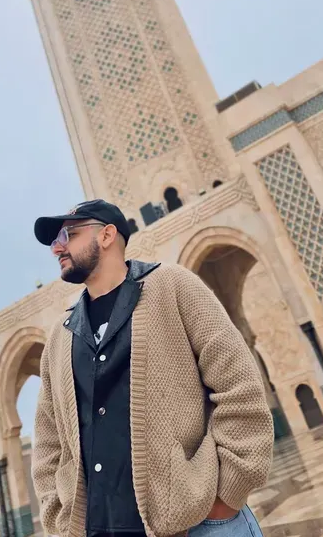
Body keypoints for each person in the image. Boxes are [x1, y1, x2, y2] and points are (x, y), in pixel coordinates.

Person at [31, 198, 274, 537]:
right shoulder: (62, 334)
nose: (57, 248)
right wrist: (59, 517)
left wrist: (226, 496)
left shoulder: (172, 286)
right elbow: (48, 438)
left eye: (68, 235)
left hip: (200, 523)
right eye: (54, 241)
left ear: (107, 235)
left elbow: (239, 385)